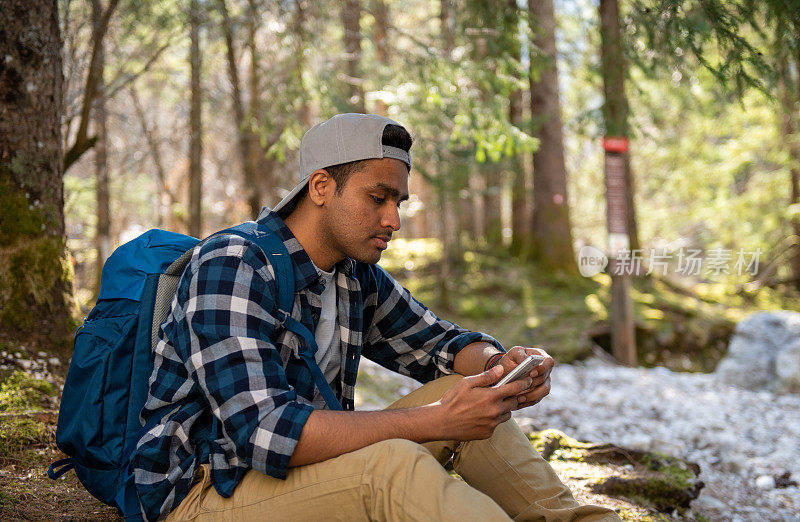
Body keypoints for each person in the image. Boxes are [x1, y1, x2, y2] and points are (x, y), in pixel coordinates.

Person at [132, 113, 621, 521]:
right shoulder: (234, 263)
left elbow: (439, 346)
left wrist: (501, 364)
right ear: (321, 186)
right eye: (377, 198)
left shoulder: (351, 274)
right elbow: (268, 432)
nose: (395, 219)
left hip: (293, 478)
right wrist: (432, 421)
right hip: (202, 493)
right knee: (391, 464)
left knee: (456, 397)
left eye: (399, 202)